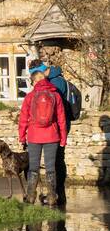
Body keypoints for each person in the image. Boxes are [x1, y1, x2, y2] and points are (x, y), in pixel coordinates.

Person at [18, 61, 68, 206]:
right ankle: (52, 198)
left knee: (33, 167)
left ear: (34, 82)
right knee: (50, 168)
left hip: (34, 136)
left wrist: (22, 137)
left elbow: (23, 119)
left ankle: (31, 197)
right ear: (45, 79)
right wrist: (63, 138)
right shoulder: (55, 95)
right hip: (52, 136)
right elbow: (61, 119)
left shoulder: (30, 97)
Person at [46, 63, 72, 206]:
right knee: (58, 159)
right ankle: (59, 194)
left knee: (56, 160)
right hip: (64, 124)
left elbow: (57, 108)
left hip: (58, 126)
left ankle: (57, 195)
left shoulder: (55, 82)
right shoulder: (60, 78)